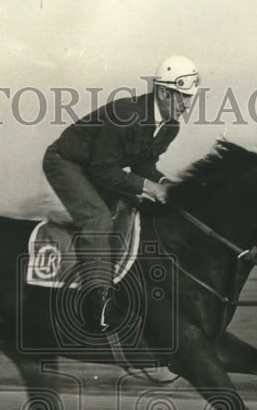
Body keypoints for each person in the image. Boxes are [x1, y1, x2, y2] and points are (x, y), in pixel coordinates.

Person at [42, 54, 199, 331]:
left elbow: (143, 164)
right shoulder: (127, 115)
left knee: (131, 212)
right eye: (182, 97)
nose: (187, 106)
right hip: (65, 162)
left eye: (190, 98)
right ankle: (98, 303)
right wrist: (149, 187)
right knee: (98, 218)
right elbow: (103, 169)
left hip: (97, 166)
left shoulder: (170, 126)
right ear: (162, 91)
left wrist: (167, 184)